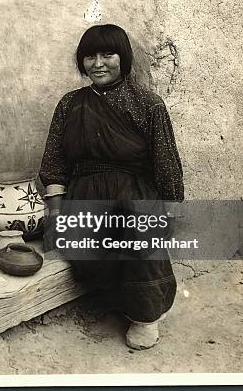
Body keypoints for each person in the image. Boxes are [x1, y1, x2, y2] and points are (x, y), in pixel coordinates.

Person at [39, 24, 184, 350]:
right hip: (85, 193)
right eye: (90, 56)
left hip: (134, 192)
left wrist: (170, 212)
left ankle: (146, 316)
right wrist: (56, 215)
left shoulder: (148, 104)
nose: (98, 63)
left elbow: (166, 164)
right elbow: (55, 164)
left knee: (137, 229)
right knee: (86, 248)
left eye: (108, 54)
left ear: (124, 58)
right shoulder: (70, 104)